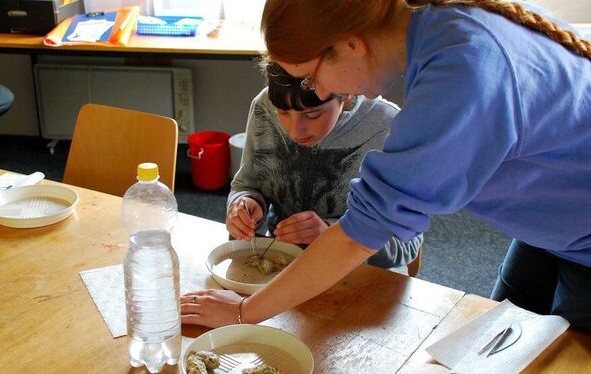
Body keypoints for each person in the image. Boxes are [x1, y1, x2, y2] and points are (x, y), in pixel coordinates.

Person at [181, 0, 591, 331]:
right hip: (549, 227)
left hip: (581, 230)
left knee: (567, 357)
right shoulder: (438, 25)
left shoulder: (461, 74)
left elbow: (359, 235)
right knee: (505, 339)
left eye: (309, 79)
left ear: (351, 44)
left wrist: (243, 313)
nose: (318, 93)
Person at [226, 61, 422, 269]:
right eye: (283, 113)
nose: (295, 132)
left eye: (312, 115)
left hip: (361, 272)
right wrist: (244, 203)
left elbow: (406, 246)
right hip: (283, 261)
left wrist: (336, 235)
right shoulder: (265, 106)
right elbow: (246, 184)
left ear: (347, 92)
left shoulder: (389, 128)